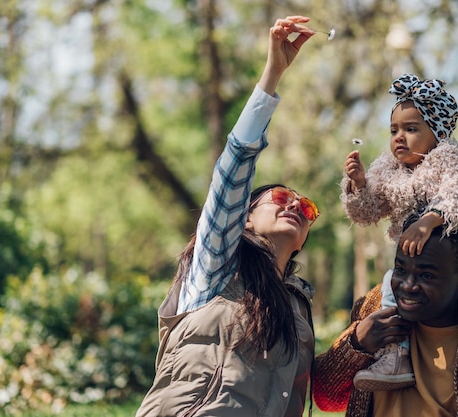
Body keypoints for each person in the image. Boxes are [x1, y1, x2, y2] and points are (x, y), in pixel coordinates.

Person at [135, 16, 319, 417]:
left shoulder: (299, 307)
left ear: (304, 236)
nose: (295, 207)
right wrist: (273, 74)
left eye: (306, 209)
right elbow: (233, 169)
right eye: (281, 196)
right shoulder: (219, 263)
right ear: (246, 218)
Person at [340, 74, 458, 413]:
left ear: (437, 131)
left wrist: (429, 219)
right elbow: (367, 213)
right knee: (391, 293)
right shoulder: (390, 170)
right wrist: (359, 185)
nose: (399, 138)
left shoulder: (449, 158)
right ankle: (396, 357)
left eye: (411, 128)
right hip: (423, 262)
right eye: (394, 130)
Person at [312, 215, 458, 417]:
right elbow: (325, 398)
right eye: (400, 269)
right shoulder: (375, 309)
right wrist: (357, 343)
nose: (407, 285)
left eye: (426, 275)